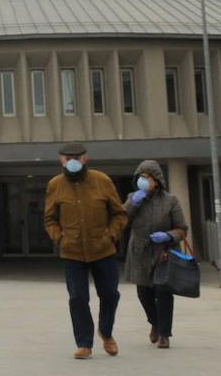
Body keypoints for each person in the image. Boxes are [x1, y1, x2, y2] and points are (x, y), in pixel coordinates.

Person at [44, 142, 128, 360]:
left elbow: (119, 214)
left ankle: (106, 332)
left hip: (103, 249)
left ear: (85, 159)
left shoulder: (102, 181)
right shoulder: (55, 184)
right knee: (78, 298)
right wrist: (60, 238)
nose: (72, 162)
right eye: (67, 158)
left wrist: (110, 235)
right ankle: (84, 343)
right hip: (72, 252)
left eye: (77, 158)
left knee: (110, 294)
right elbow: (50, 218)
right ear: (61, 160)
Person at [123, 160, 188, 349]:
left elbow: (182, 229)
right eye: (140, 177)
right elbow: (121, 220)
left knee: (163, 293)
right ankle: (155, 323)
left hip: (163, 253)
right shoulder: (133, 198)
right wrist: (132, 203)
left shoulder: (171, 201)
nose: (142, 180)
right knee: (144, 293)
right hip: (140, 252)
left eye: (147, 177)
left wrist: (167, 236)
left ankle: (164, 334)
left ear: (157, 180)